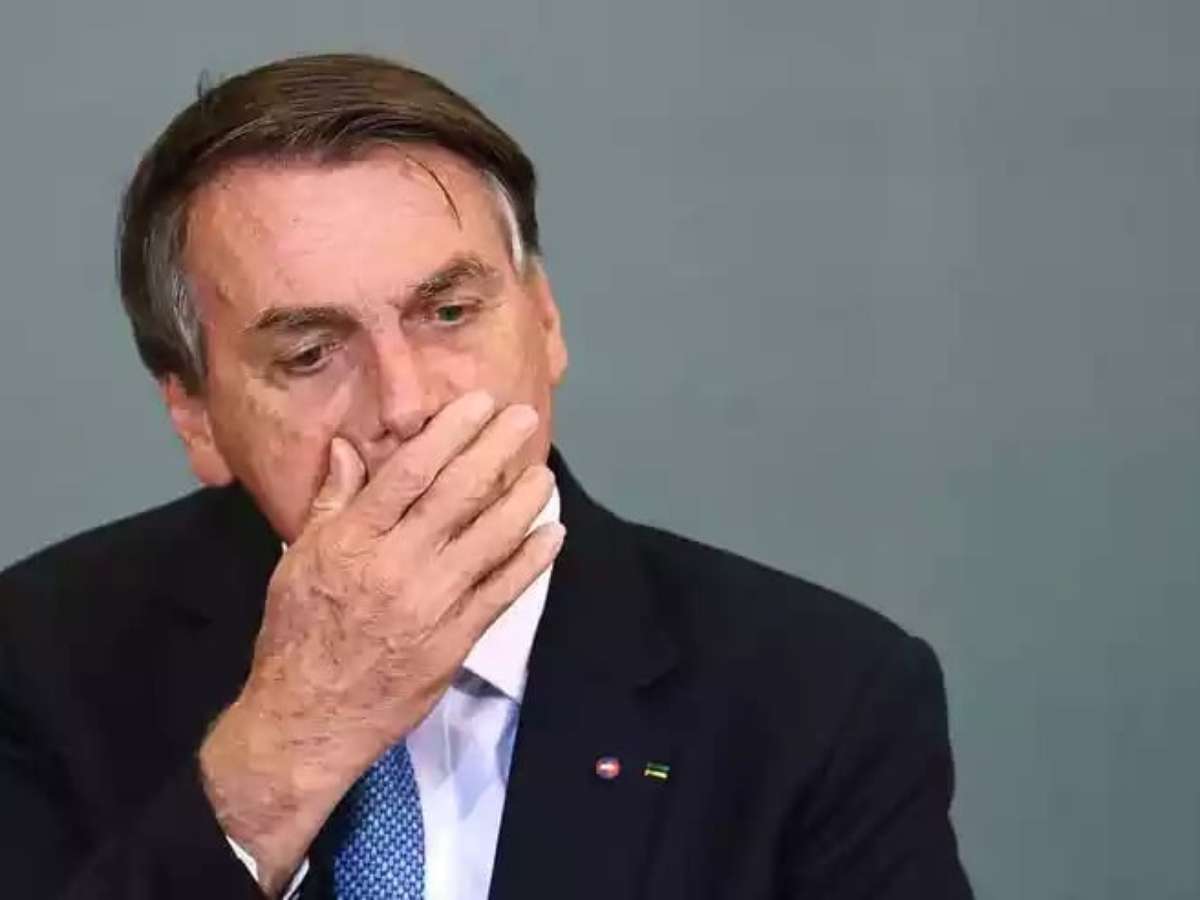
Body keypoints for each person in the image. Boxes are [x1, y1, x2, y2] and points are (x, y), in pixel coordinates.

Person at [0, 53, 973, 899]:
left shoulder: (820, 699)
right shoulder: (38, 661)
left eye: (449, 313)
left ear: (545, 321)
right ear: (196, 416)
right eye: (310, 353)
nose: (407, 402)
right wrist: (285, 750)